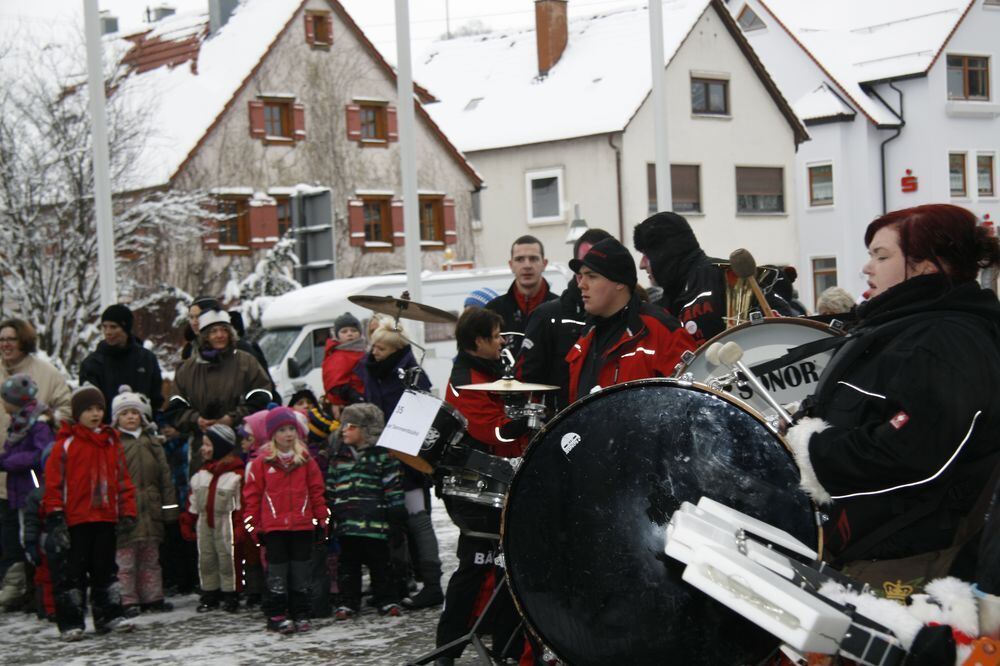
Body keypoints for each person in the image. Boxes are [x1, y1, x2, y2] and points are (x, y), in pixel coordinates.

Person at [786, 204, 1000, 592]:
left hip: (910, 568)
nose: (867, 268)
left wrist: (814, 448)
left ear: (926, 267)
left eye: (881, 256)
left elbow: (917, 452)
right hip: (873, 552)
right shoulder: (906, 329)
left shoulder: (946, 341)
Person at [435, 308, 533, 664]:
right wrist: (522, 425)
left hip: (492, 486)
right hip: (472, 491)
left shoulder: (489, 371)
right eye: (496, 335)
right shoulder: (466, 378)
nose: (502, 341)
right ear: (478, 341)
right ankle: (449, 646)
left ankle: (505, 645)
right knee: (475, 567)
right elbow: (491, 432)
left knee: (505, 567)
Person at [42, 385, 137, 640]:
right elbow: (53, 484)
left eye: (99, 409)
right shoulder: (65, 445)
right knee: (72, 574)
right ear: (77, 413)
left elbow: (122, 480)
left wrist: (127, 511)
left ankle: (110, 615)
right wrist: (55, 515)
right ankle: (71, 621)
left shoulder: (110, 442)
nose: (95, 414)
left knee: (106, 569)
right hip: (76, 520)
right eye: (88, 409)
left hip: (106, 517)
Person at [565, 237, 697, 403]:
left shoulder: (661, 330)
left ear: (619, 282)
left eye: (591, 276)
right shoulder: (586, 335)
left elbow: (693, 399)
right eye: (581, 276)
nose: (581, 285)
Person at [633, 212, 791, 344]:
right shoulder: (665, 303)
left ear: (665, 251)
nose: (641, 264)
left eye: (646, 255)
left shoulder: (728, 275)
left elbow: (783, 325)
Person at [243, 406, 329, 634]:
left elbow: (317, 492)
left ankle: (301, 612)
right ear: (272, 434)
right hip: (273, 528)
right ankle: (277, 614)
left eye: (291, 428)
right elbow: (251, 497)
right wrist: (254, 527)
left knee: (301, 572)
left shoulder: (306, 461)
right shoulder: (262, 463)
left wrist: (322, 521)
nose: (288, 434)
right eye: (282, 430)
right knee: (277, 573)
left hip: (302, 525)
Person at [0, 319, 71, 586]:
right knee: (9, 536)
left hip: (32, 476)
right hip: (2, 475)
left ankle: (40, 589)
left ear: (24, 341)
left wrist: (49, 419)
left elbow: (67, 408)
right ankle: (13, 586)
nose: (5, 344)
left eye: (11, 339)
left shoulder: (46, 372)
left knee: (32, 531)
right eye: (1, 339)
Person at [168, 305, 272, 474]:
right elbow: (175, 407)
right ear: (204, 336)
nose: (219, 335)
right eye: (213, 331)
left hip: (240, 447)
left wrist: (233, 418)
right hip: (202, 449)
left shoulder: (247, 363)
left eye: (224, 330)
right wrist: (196, 420)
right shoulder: (187, 369)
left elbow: (262, 396)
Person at [519, 228, 613, 413]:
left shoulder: (630, 318)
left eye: (597, 266)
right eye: (583, 264)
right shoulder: (547, 316)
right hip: (562, 428)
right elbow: (524, 382)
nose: (588, 271)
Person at [326, 403, 405, 620]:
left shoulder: (382, 457)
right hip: (347, 524)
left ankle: (387, 599)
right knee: (348, 565)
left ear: (367, 430)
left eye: (351, 426)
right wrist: (329, 515)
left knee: (381, 564)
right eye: (343, 425)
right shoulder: (338, 457)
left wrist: (396, 515)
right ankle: (348, 601)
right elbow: (331, 488)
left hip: (375, 524)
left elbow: (392, 487)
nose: (344, 430)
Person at [111, 387, 177, 616]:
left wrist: (169, 510)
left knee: (150, 558)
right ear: (116, 418)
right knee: (125, 562)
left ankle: (153, 597)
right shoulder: (113, 444)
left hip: (152, 507)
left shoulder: (152, 441)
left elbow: (165, 478)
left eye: (134, 412)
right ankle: (127, 600)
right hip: (126, 509)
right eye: (125, 413)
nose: (131, 417)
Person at [0, 374, 53, 611]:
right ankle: (33, 591)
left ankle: (40, 593)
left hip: (32, 488)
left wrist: (9, 462)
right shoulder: (20, 422)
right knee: (24, 539)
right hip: (20, 488)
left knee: (34, 539)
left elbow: (41, 454)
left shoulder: (37, 423)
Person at [185, 424, 245, 613]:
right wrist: (188, 521)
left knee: (228, 558)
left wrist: (239, 527)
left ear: (220, 447)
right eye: (203, 444)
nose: (203, 449)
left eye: (208, 444)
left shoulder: (236, 476)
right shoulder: (201, 475)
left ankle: (230, 593)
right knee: (206, 558)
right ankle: (209, 593)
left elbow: (240, 506)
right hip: (204, 523)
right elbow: (193, 501)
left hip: (225, 523)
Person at [78, 304, 164, 421]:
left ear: (126, 328)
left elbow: (156, 399)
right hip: (106, 432)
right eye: (104, 327)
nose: (108, 332)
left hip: (141, 432)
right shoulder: (92, 363)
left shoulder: (146, 360)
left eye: (113, 327)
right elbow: (89, 403)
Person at [485, 235, 558, 354]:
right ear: (511, 265)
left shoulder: (561, 310)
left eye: (533, 259)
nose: (527, 265)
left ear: (544, 264)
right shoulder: (492, 311)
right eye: (520, 259)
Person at [321, 312, 366, 418]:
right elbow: (335, 384)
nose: (349, 334)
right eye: (344, 331)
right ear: (337, 335)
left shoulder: (363, 351)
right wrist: (357, 398)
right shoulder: (337, 355)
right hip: (349, 404)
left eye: (354, 330)